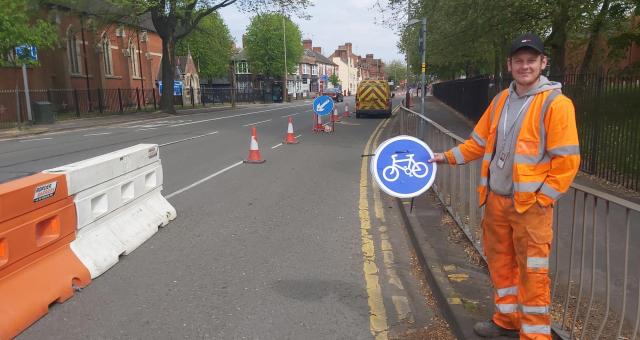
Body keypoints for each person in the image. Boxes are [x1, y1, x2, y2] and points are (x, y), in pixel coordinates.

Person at [430, 33, 580, 340]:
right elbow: (477, 144)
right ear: (510, 65)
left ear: (543, 63)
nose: (525, 66)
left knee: (533, 274)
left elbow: (567, 161)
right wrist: (442, 158)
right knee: (501, 266)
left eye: (531, 60)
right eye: (519, 61)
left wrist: (543, 200)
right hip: (497, 201)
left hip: (531, 208)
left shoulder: (557, 104)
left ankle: (535, 335)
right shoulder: (501, 101)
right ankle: (507, 320)